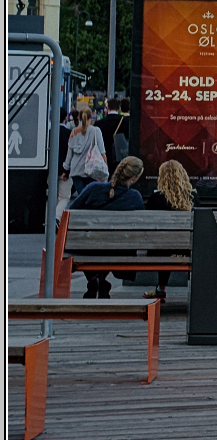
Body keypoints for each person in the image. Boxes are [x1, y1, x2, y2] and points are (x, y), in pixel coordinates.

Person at [69, 156, 146, 298]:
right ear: (134, 178)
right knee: (114, 246)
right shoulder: (135, 197)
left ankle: (94, 279)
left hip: (88, 247)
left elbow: (70, 212)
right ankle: (102, 279)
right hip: (120, 250)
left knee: (91, 243)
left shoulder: (93, 188)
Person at [144, 160, 194, 302]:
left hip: (159, 249)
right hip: (187, 249)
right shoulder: (192, 197)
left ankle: (161, 288)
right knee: (173, 242)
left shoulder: (155, 198)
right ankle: (162, 289)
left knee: (165, 242)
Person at [61, 108, 107, 199]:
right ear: (91, 116)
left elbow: (69, 155)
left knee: (82, 198)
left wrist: (66, 171)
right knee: (92, 198)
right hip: (92, 170)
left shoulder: (73, 132)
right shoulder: (96, 131)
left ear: (79, 118)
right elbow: (102, 152)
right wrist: (105, 168)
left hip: (76, 171)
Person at [96, 98, 130, 163]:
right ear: (119, 108)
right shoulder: (125, 121)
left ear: (107, 107)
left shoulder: (99, 123)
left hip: (103, 158)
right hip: (119, 156)